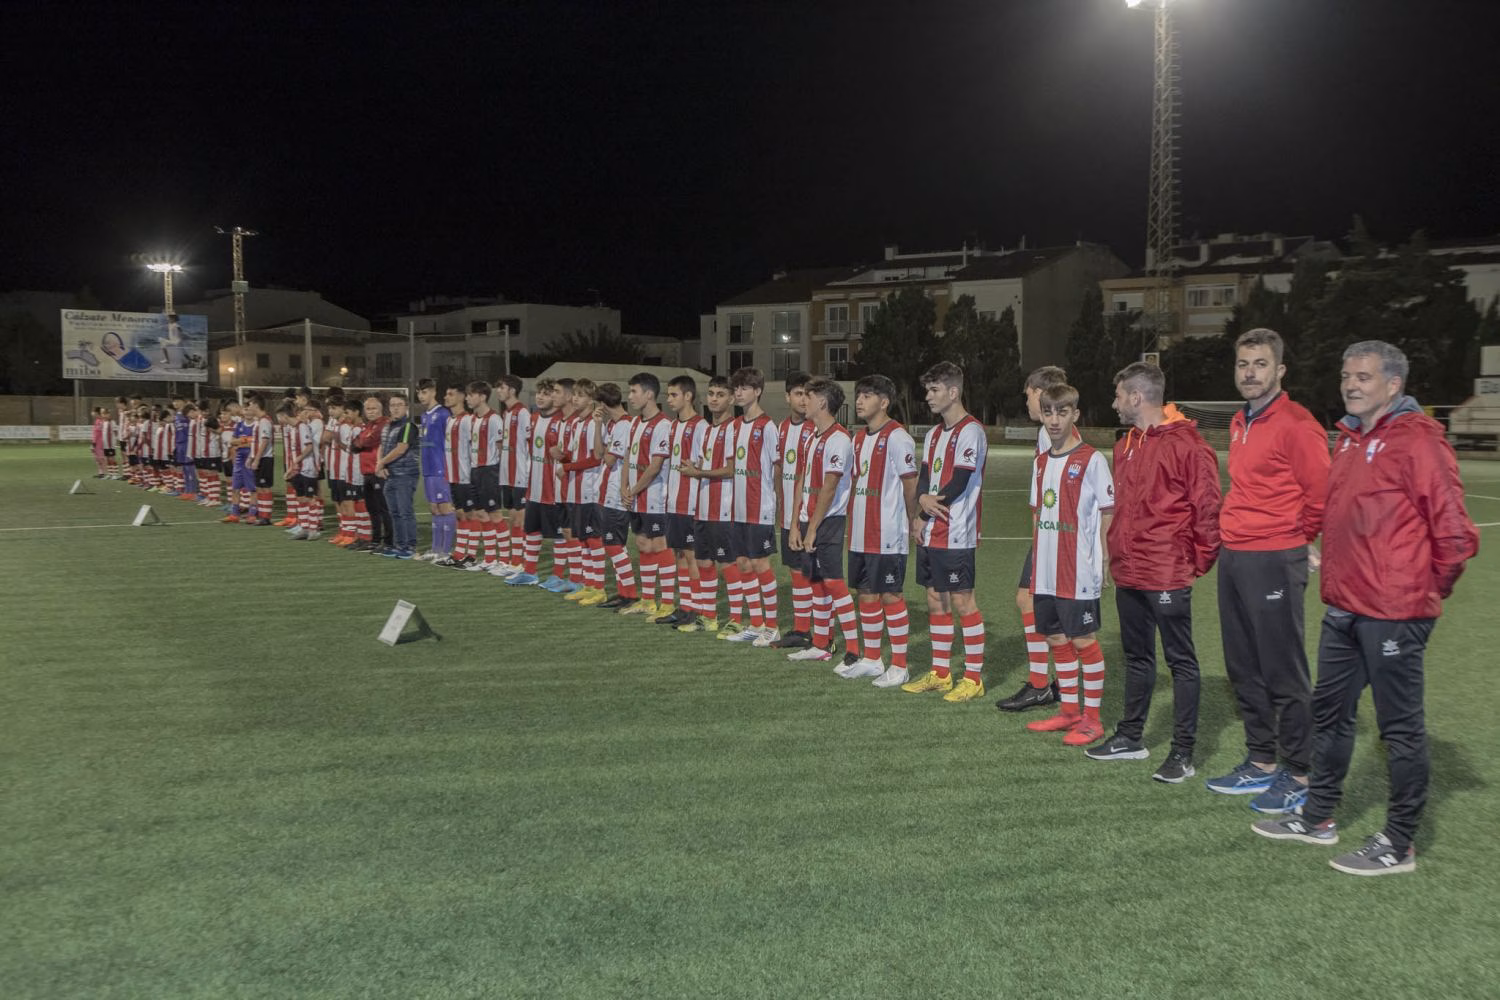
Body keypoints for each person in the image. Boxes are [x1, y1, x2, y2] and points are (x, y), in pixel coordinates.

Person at [1253, 341, 1478, 876]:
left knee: (1399, 730)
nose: (1351, 384)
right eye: (1346, 374)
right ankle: (1318, 816)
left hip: (1394, 612)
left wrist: (1419, 595)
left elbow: (1455, 535)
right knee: (1330, 715)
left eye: (1364, 377)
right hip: (1345, 607)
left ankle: (1398, 844)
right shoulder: (1351, 439)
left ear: (1393, 385)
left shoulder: (1420, 441)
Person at [1205, 329, 1330, 813]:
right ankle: (1260, 763)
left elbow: (1320, 494)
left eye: (1259, 364)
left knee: (1282, 667)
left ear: (1280, 370)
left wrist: (1296, 540)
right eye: (1242, 364)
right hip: (1235, 553)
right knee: (1243, 664)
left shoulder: (1297, 423)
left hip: (1275, 555)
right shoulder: (1241, 421)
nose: (1249, 373)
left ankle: (1298, 772)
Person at [1086, 362, 1220, 782]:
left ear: (1137, 397)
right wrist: (1114, 555)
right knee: (1137, 657)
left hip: (1166, 572)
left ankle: (1183, 752)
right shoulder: (1125, 444)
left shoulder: (1189, 445)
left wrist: (1193, 562)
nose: (1114, 403)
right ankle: (1130, 737)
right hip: (1130, 571)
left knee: (1180, 661)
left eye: (1118, 395)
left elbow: (1209, 509)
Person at [1020, 384, 1115, 746]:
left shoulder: (1092, 459)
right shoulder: (1041, 462)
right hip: (1045, 570)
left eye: (1063, 412)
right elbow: (1036, 513)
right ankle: (1069, 712)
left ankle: (1092, 720)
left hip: (1077, 569)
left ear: (1076, 414)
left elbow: (1108, 510)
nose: (1055, 420)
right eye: (1049, 412)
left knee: (1082, 639)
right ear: (1042, 416)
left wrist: (1104, 558)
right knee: (1056, 637)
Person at [902, 361, 990, 703]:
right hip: (931, 529)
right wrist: (921, 508)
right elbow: (925, 475)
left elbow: (960, 483)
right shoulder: (935, 433)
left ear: (953, 392)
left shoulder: (972, 431)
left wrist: (924, 508)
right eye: (927, 390)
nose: (928, 397)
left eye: (934, 390)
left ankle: (973, 678)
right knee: (934, 598)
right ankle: (940, 672)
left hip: (957, 531)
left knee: (962, 600)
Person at [996, 365, 1079, 712]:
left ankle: (1042, 684)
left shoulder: (1050, 433)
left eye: (1027, 393)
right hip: (1051, 534)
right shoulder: (1050, 433)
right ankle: (1059, 681)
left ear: (1039, 391)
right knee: (1040, 605)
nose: (1027, 401)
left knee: (1031, 602)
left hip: (1054, 535)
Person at [786, 378, 858, 665]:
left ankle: (853, 650)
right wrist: (795, 523)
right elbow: (802, 481)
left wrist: (813, 527)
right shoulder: (813, 436)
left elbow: (829, 486)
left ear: (823, 403)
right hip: (808, 520)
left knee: (834, 583)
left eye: (809, 397)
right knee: (816, 582)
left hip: (827, 521)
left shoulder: (839, 439)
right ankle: (821, 645)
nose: (804, 401)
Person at [726, 367, 782, 644]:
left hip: (760, 506)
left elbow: (777, 469)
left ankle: (772, 626)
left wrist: (776, 505)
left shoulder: (768, 427)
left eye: (744, 387)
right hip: (737, 509)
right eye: (736, 387)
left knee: (760, 564)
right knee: (743, 564)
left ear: (757, 391)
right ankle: (756, 623)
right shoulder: (734, 426)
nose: (738, 392)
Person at [678, 375, 736, 633]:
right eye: (711, 393)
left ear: (732, 399)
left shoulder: (735, 429)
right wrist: (697, 468)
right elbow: (706, 463)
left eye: (720, 394)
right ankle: (708, 617)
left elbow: (732, 470)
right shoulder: (708, 430)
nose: (714, 398)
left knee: (728, 565)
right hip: (701, 506)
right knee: (703, 563)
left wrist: (699, 473)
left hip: (724, 507)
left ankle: (736, 620)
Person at [618, 373, 673, 615]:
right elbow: (628, 457)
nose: (629, 397)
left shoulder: (663, 425)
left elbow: (655, 466)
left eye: (634, 392)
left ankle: (668, 602)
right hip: (635, 496)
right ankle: (648, 600)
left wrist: (633, 489)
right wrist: (623, 488)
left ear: (649, 394)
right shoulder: (633, 423)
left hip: (655, 499)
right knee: (642, 544)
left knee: (660, 545)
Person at [655, 375, 706, 625]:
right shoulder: (673, 426)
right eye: (668, 395)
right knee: (679, 555)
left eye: (674, 394)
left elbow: (705, 464)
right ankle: (684, 606)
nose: (669, 399)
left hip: (691, 502)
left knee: (691, 556)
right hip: (673, 501)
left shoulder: (701, 426)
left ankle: (697, 609)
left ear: (688, 396)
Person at [771, 371, 817, 649]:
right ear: (788, 397)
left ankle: (822, 631)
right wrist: (780, 504)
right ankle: (802, 629)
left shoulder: (817, 429)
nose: (803, 399)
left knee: (817, 575)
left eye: (807, 394)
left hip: (811, 516)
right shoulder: (782, 428)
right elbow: (779, 469)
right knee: (796, 572)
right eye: (798, 394)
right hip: (790, 514)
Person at [507, 378, 565, 586]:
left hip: (554, 491)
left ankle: (558, 576)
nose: (540, 397)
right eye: (539, 392)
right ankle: (530, 573)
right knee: (531, 530)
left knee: (558, 535)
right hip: (534, 489)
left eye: (547, 393)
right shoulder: (532, 419)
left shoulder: (562, 422)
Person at [596, 383, 643, 609]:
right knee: (615, 545)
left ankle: (630, 593)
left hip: (616, 493)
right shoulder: (615, 424)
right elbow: (600, 453)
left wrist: (605, 451)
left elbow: (608, 459)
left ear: (603, 405)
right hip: (610, 492)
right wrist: (598, 426)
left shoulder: (624, 425)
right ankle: (624, 592)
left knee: (614, 544)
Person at [493, 374, 533, 577]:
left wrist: (527, 471)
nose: (498, 390)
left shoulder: (522, 412)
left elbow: (530, 443)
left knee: (520, 519)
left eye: (501, 387)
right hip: (506, 474)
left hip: (520, 474)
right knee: (513, 518)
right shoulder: (507, 413)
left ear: (512, 390)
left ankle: (521, 562)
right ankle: (514, 560)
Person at [466, 381, 505, 572]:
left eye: (471, 395)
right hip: (475, 470)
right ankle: (490, 558)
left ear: (482, 397)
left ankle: (504, 560)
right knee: (481, 514)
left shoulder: (494, 419)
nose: (467, 398)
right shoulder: (473, 419)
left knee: (495, 514)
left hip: (489, 470)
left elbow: (501, 448)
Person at [436, 385, 476, 567]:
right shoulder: (451, 420)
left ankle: (471, 556)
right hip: (453, 476)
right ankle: (460, 553)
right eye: (446, 393)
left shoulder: (468, 420)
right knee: (460, 515)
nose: (446, 397)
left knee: (470, 515)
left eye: (451, 394)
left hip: (466, 476)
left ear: (462, 397)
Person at [375, 393, 419, 558]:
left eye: (399, 404)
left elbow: (401, 448)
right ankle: (399, 545)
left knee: (405, 511)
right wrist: (381, 464)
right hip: (391, 475)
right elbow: (382, 446)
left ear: (406, 407)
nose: (395, 408)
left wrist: (381, 463)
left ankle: (410, 546)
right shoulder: (387, 426)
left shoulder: (408, 426)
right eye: (392, 405)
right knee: (394, 512)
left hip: (405, 475)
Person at [417, 378, 455, 562]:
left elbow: (450, 439)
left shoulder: (442, 413)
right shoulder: (424, 416)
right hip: (428, 468)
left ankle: (446, 551)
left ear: (433, 391)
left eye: (424, 392)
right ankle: (435, 548)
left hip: (441, 467)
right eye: (419, 392)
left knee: (445, 508)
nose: (421, 396)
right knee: (434, 508)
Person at [354, 395, 392, 552]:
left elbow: (367, 442)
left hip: (378, 472)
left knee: (384, 509)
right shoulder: (367, 427)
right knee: (372, 509)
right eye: (368, 409)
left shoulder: (383, 424)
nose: (370, 412)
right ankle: (375, 539)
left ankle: (389, 541)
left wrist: (362, 442)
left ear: (380, 410)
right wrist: (361, 441)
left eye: (374, 408)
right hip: (367, 472)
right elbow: (354, 445)